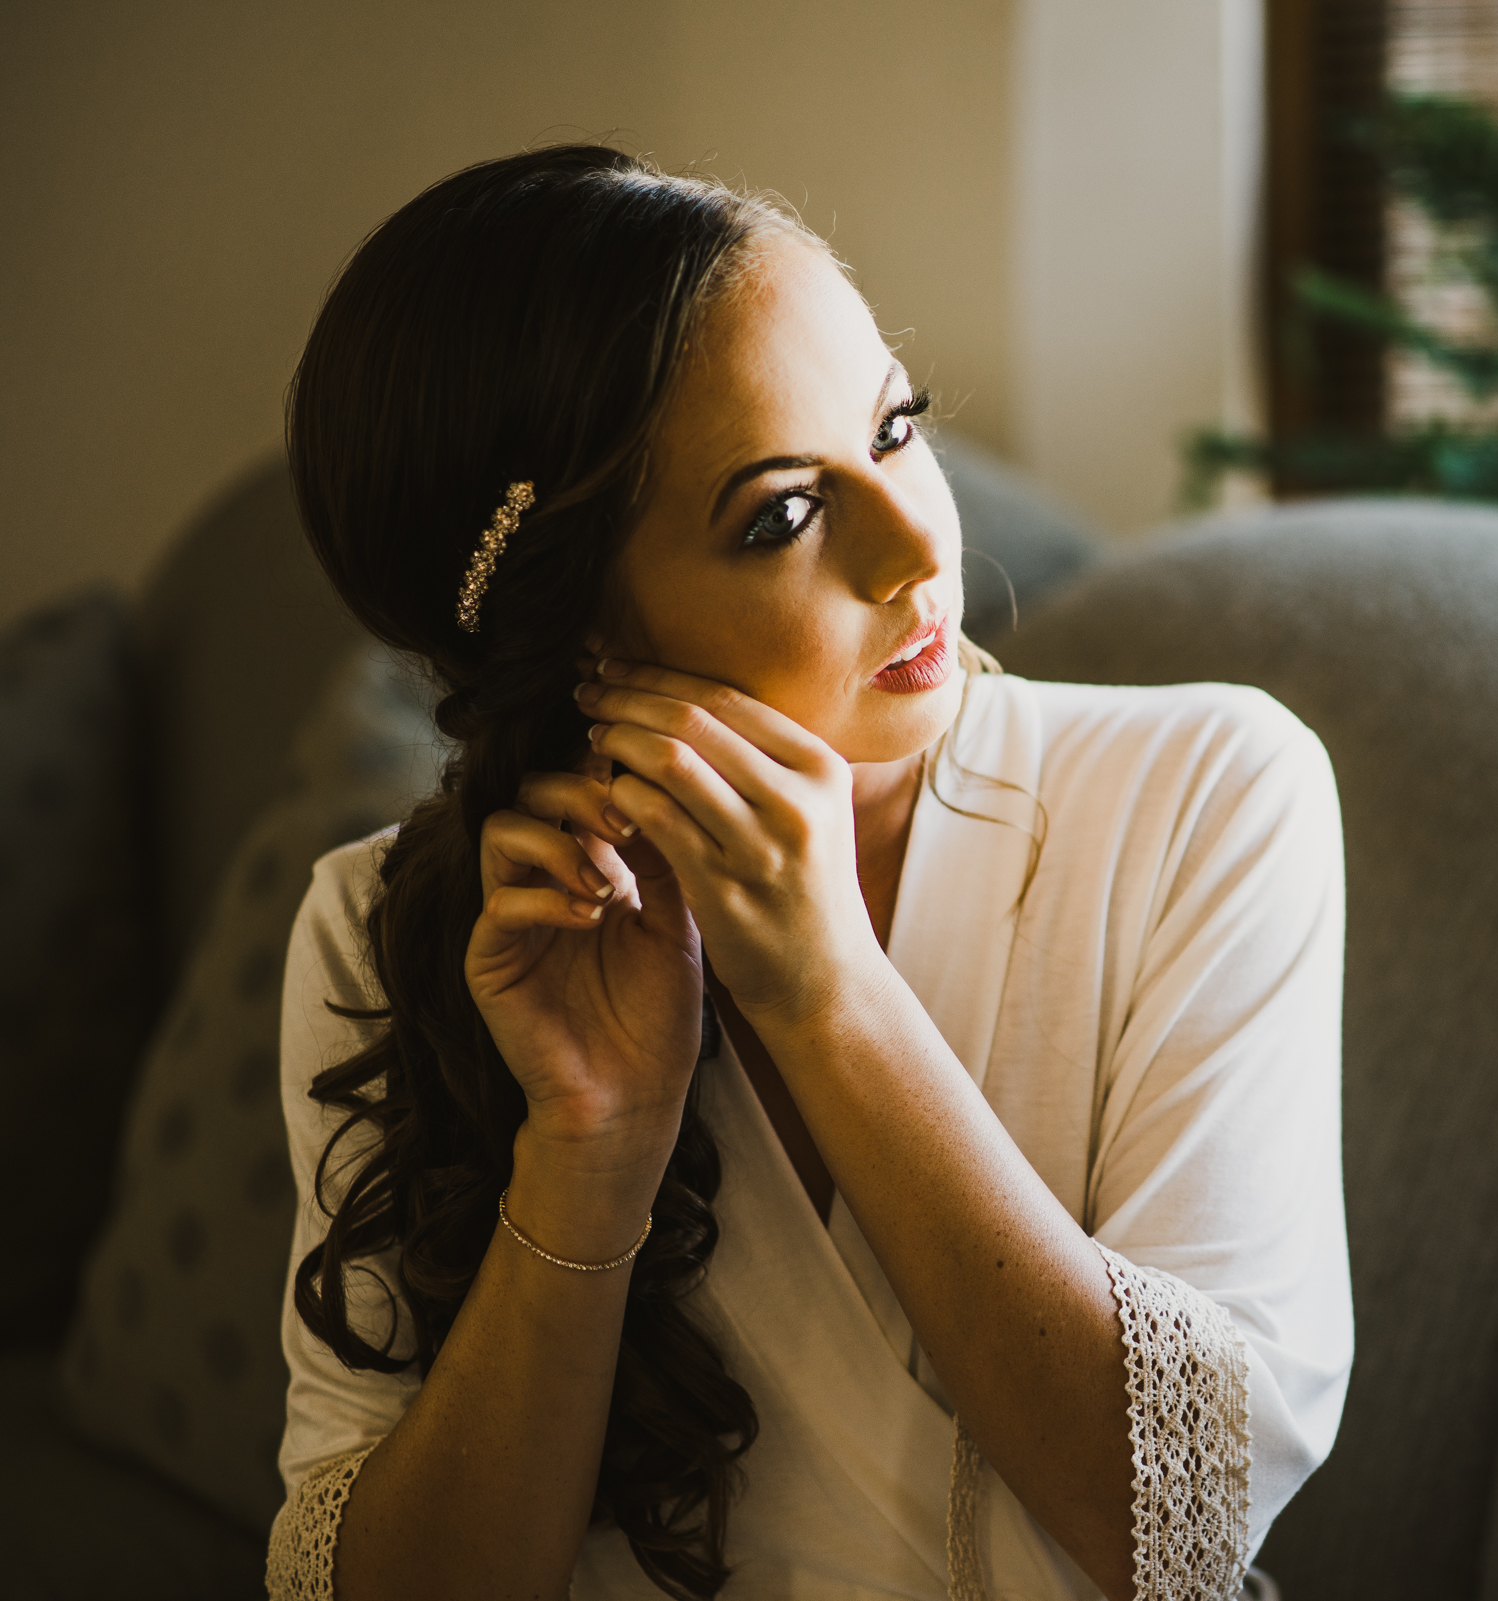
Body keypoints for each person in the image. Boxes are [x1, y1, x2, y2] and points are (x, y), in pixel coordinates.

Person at [265, 145, 1350, 1601]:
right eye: (782, 515)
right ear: (589, 634)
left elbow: (1182, 1535)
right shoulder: (386, 933)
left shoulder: (1211, 799)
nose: (918, 550)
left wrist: (830, 990)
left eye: (896, 428)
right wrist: (588, 1155)